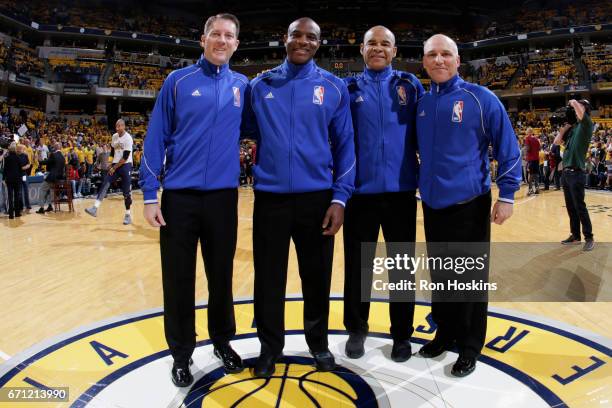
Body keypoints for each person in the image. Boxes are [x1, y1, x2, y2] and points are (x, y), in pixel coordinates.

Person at [244, 17, 355, 377]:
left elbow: (346, 148)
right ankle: (269, 347)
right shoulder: (259, 86)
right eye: (297, 35)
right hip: (271, 199)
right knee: (268, 279)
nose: (303, 41)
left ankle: (318, 344)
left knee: (317, 277)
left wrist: (339, 199)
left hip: (318, 200)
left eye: (311, 37)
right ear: (285, 38)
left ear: (318, 44)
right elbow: (240, 130)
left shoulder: (334, 88)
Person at [140, 13, 247, 387]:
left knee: (222, 278)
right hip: (179, 200)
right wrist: (150, 195)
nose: (221, 40)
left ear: (236, 43)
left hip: (222, 200)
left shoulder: (242, 86)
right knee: (178, 280)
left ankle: (222, 342)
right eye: (215, 34)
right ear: (203, 39)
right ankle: (181, 354)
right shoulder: (177, 81)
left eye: (228, 35)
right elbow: (155, 139)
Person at [415, 34, 521, 377]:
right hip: (432, 203)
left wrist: (507, 195)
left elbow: (508, 148)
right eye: (432, 54)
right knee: (442, 276)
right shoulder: (422, 102)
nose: (439, 60)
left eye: (446, 54)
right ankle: (444, 333)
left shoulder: (481, 98)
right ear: (424, 61)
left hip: (470, 203)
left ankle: (471, 345)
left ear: (458, 60)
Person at [342, 26, 423, 361]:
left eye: (384, 44)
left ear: (394, 51)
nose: (378, 48)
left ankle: (402, 335)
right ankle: (356, 329)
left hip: (402, 193)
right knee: (358, 268)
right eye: (372, 43)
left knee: (402, 268)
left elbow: (424, 133)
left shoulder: (410, 85)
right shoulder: (346, 87)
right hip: (359, 193)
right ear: (361, 49)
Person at [554, 99, 594, 251]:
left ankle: (589, 237)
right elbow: (557, 142)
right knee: (571, 207)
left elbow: (581, 112)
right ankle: (575, 236)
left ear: (585, 109)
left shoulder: (586, 125)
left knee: (580, 207)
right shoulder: (574, 128)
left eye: (580, 105)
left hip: (577, 173)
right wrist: (564, 129)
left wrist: (573, 101)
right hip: (566, 173)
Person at [84, 119, 133, 225]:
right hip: (115, 165)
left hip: (126, 166)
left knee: (126, 193)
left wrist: (114, 167)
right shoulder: (114, 136)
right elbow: (112, 151)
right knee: (105, 183)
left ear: (123, 126)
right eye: (116, 126)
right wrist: (110, 163)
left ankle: (128, 215)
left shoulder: (128, 138)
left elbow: (125, 158)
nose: (117, 128)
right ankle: (95, 208)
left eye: (119, 126)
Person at [36, 142, 66, 214]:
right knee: (49, 190)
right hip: (59, 178)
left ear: (55, 147)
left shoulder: (53, 154)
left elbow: (46, 162)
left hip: (52, 177)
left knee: (42, 189)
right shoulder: (62, 157)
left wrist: (39, 161)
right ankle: (50, 206)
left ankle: (41, 208)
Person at [3, 142, 23, 219]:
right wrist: (20, 177)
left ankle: (11, 215)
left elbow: (5, 170)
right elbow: (20, 169)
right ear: (15, 150)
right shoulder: (18, 158)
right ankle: (17, 213)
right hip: (17, 179)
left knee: (10, 197)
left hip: (9, 180)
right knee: (16, 196)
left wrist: (4, 179)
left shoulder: (7, 158)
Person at [524, 128, 540, 195]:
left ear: (528, 132)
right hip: (537, 159)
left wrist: (525, 154)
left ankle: (530, 190)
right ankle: (537, 188)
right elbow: (539, 148)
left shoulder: (527, 138)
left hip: (531, 159)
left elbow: (528, 148)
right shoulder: (536, 139)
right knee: (536, 174)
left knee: (530, 175)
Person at [16, 144, 31, 213]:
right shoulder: (15, 156)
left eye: (21, 148)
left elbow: (28, 164)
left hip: (24, 175)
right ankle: (20, 207)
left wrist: (25, 167)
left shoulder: (25, 155)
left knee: (26, 190)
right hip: (18, 175)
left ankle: (28, 206)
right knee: (19, 192)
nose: (20, 149)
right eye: (19, 148)